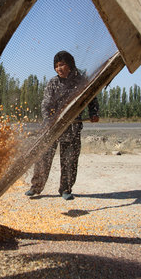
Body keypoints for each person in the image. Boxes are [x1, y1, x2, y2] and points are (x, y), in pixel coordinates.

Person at [25, 50, 99, 200]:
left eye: (62, 65)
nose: (59, 68)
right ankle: (36, 187)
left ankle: (66, 189)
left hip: (72, 127)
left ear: (70, 65)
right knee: (43, 157)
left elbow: (92, 97)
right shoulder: (53, 83)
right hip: (52, 127)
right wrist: (48, 121)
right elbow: (45, 104)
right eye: (56, 66)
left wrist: (94, 113)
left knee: (69, 159)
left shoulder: (80, 81)